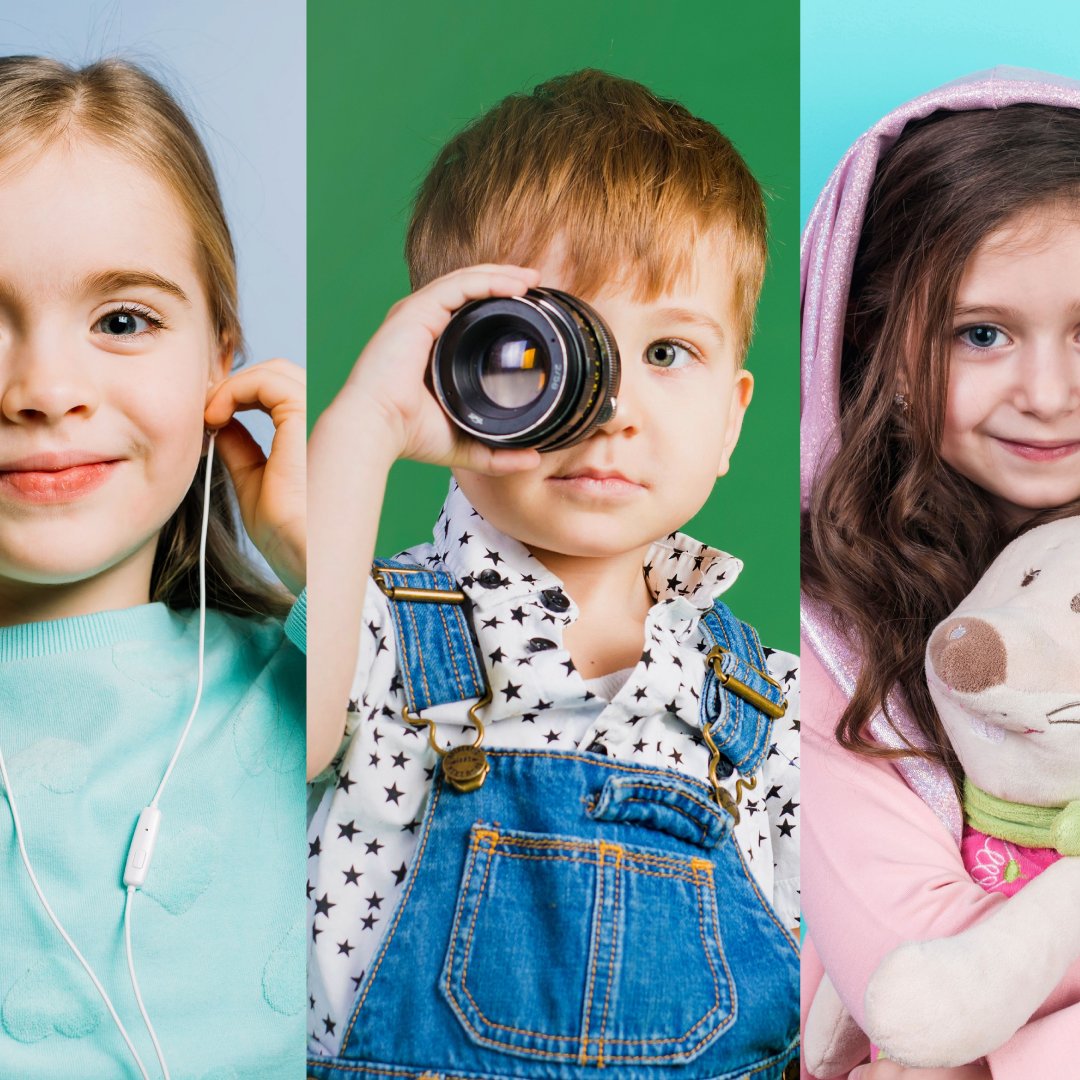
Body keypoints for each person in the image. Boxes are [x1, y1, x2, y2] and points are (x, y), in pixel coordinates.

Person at [307, 70, 800, 1078]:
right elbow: (281, 739)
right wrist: (364, 430)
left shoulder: (777, 706)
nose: (613, 405)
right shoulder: (370, 634)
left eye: (668, 350)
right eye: (551, 350)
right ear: (456, 369)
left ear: (734, 418)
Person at [0, 57, 306, 1079]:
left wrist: (319, 553)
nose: (44, 389)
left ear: (221, 361)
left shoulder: (322, 687)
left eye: (121, 321)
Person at [799, 68, 1080, 1080]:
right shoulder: (826, 629)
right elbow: (915, 974)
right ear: (874, 337)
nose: (1049, 393)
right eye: (982, 334)